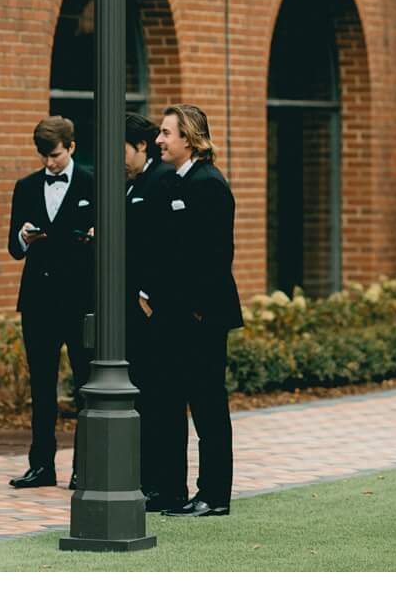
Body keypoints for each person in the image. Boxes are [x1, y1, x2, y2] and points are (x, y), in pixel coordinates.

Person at [147, 104, 242, 518]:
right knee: (169, 403)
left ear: (189, 138)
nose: (159, 140)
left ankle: (214, 495)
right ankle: (171, 490)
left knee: (207, 406)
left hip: (202, 320)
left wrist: (195, 313)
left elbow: (215, 260)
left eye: (167, 133)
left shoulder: (210, 184)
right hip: (171, 318)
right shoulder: (171, 181)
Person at [7, 115, 96, 489]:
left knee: (86, 386)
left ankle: (86, 467)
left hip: (80, 301)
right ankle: (41, 465)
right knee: (41, 388)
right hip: (39, 302)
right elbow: (13, 249)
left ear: (72, 147)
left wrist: (95, 237)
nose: (49, 163)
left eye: (55, 155)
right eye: (43, 156)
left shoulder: (94, 182)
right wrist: (24, 238)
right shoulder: (26, 187)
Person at [123, 111, 172, 506]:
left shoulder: (158, 182)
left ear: (141, 146)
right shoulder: (133, 182)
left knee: (154, 397)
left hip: (147, 310)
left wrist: (147, 295)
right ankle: (146, 479)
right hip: (130, 309)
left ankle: (158, 484)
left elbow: (160, 246)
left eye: (121, 148)